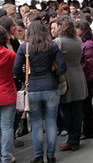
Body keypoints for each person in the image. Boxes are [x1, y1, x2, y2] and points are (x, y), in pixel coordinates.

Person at [13, 20, 67, 163]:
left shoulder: (25, 47)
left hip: (32, 88)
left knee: (36, 124)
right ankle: (50, 155)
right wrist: (53, 75)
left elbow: (16, 70)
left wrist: (25, 78)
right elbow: (63, 67)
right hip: (50, 87)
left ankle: (38, 156)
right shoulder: (52, 46)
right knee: (51, 123)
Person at [54, 16, 88, 151]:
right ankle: (75, 138)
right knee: (77, 110)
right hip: (78, 75)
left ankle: (72, 138)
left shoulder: (58, 42)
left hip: (65, 77)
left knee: (66, 109)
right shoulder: (79, 40)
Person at [74, 20, 93, 140]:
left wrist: (80, 71)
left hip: (86, 78)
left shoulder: (87, 44)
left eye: (77, 28)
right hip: (85, 77)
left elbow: (89, 63)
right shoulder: (82, 43)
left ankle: (89, 130)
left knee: (86, 105)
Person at [0, 26, 17, 163]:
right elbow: (17, 71)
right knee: (7, 127)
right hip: (7, 93)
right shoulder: (10, 54)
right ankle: (6, 156)